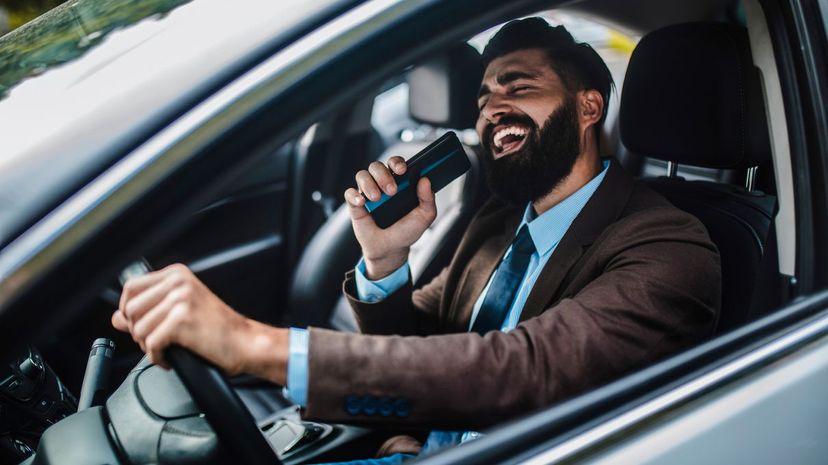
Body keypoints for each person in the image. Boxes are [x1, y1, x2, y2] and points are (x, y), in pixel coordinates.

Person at [112, 18, 720, 462]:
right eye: (484, 98)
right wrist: (386, 259)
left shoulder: (670, 248)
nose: (492, 110)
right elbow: (422, 342)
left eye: (519, 88)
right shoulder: (497, 220)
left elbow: (525, 371)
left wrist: (253, 344)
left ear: (589, 108)